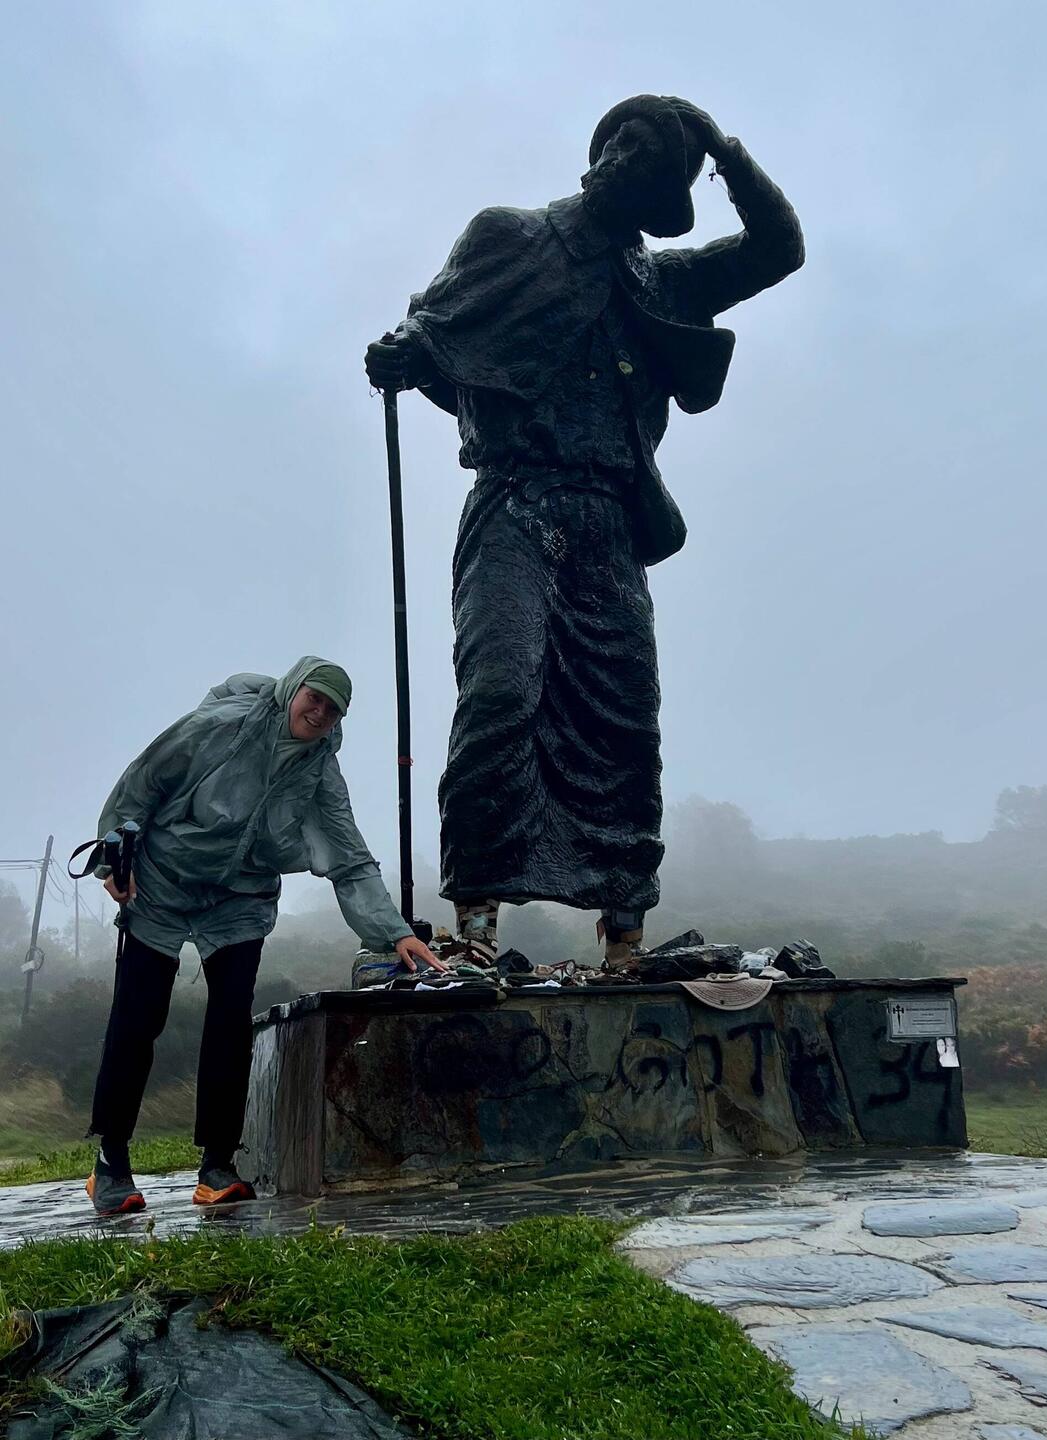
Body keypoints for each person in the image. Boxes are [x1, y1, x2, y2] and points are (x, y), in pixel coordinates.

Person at [365, 95, 803, 967]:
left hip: (609, 523)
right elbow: (438, 324)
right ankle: (476, 924)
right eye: (626, 142)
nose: (630, 159)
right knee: (499, 695)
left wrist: (723, 150)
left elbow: (778, 248)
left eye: (657, 159)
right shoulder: (510, 237)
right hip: (516, 503)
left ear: (663, 195)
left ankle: (624, 933)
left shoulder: (661, 282)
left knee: (626, 722)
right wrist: (405, 352)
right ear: (598, 155)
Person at [85, 656, 441, 1216]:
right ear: (293, 691)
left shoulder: (320, 771)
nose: (319, 713)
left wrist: (394, 933)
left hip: (240, 897)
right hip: (161, 882)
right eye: (313, 698)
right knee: (138, 1018)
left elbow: (348, 857)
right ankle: (112, 1162)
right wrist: (113, 857)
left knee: (230, 1023)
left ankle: (217, 1165)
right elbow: (142, 782)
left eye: (332, 708)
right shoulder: (219, 727)